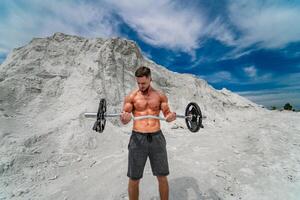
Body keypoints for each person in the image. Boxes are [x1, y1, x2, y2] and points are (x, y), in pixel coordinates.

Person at [120, 66, 176, 200]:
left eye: (143, 83)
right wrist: (124, 119)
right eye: (138, 83)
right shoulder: (132, 97)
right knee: (134, 177)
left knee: (162, 176)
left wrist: (171, 117)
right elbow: (125, 118)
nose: (141, 86)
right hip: (137, 139)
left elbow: (167, 115)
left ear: (150, 79)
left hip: (157, 138)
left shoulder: (160, 96)